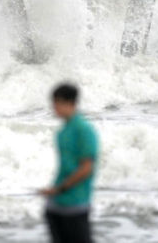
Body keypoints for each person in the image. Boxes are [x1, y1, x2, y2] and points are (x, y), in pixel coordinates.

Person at [40, 84, 99, 243]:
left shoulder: (84, 130)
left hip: (76, 204)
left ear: (69, 103)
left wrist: (60, 188)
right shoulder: (62, 132)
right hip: (55, 206)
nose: (54, 107)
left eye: (56, 103)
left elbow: (86, 168)